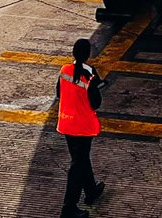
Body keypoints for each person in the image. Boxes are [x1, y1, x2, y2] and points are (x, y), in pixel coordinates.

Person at [56, 37, 107, 217]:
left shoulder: (64, 70)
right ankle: (68, 208)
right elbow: (96, 103)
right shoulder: (90, 72)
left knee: (81, 159)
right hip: (83, 126)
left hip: (67, 123)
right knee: (78, 164)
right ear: (88, 55)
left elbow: (58, 94)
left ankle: (91, 190)